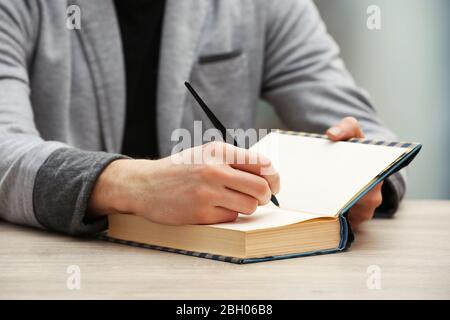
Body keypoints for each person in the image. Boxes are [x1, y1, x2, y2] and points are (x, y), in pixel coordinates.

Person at [0, 0, 405, 236]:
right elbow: (4, 151)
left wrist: (360, 173)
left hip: (220, 281)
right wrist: (135, 185)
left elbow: (366, 134)